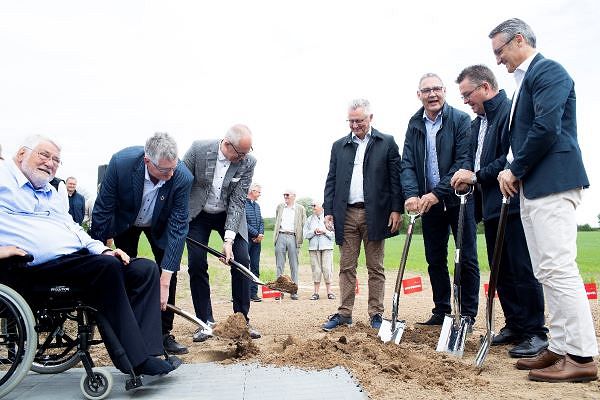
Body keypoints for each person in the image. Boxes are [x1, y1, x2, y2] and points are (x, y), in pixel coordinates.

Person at [0, 135, 179, 376]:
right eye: (44, 155)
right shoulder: (3, 179)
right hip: (32, 267)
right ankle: (135, 360)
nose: (50, 163)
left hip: (74, 259)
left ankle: (150, 351)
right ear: (22, 154)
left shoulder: (49, 191)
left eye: (56, 160)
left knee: (144, 269)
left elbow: (72, 228)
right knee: (106, 268)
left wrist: (104, 248)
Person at [489, 18, 597, 382]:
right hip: (533, 187)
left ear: (519, 40)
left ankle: (582, 357)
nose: (499, 60)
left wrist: (513, 168)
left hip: (552, 182)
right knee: (545, 271)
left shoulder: (549, 71)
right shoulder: (524, 82)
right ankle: (561, 346)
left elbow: (546, 128)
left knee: (559, 268)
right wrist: (512, 166)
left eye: (500, 51)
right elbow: (523, 136)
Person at [450, 65, 548, 358]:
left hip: (513, 203)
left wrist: (476, 176)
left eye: (468, 94)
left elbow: (508, 159)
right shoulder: (476, 123)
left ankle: (535, 331)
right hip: (491, 207)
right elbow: (472, 158)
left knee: (521, 268)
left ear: (485, 87)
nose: (465, 101)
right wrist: (467, 173)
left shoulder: (509, 113)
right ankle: (515, 325)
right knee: (501, 270)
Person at [91, 132, 193, 355]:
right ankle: (130, 330)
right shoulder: (120, 164)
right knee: (125, 269)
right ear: (148, 161)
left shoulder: (182, 177)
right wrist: (99, 252)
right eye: (165, 170)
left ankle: (164, 333)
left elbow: (178, 227)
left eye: (173, 168)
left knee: (168, 270)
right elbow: (102, 210)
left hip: (160, 225)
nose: (171, 174)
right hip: (127, 222)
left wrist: (164, 281)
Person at [400, 73, 479, 328]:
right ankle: (442, 310)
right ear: (419, 95)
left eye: (437, 89)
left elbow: (462, 162)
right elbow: (408, 164)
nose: (432, 94)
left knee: (465, 257)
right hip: (427, 203)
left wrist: (437, 193)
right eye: (427, 90)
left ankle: (467, 313)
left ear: (445, 91)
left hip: (458, 199)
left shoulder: (460, 119)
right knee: (435, 258)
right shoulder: (414, 124)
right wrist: (412, 194)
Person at [322, 98, 402, 332]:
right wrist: (328, 210)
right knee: (346, 266)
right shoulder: (339, 146)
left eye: (360, 121)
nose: (355, 125)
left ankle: (376, 314)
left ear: (371, 118)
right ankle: (344, 313)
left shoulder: (386, 142)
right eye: (351, 121)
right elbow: (331, 179)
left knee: (375, 267)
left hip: (375, 214)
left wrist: (397, 209)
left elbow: (395, 179)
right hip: (345, 214)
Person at [183, 124, 261, 342]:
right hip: (198, 214)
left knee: (242, 259)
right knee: (197, 263)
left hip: (228, 214)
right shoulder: (198, 150)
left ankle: (241, 321)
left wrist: (228, 240)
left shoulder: (248, 162)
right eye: (241, 153)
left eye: (248, 152)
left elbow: (238, 201)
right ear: (227, 144)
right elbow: (180, 184)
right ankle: (204, 322)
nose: (244, 158)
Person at [273, 189, 305, 300]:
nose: (285, 196)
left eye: (287, 195)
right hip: (281, 236)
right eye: (284, 195)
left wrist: (300, 239)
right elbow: (277, 221)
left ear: (294, 196)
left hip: (293, 237)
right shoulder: (280, 207)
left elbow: (303, 224)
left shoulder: (300, 209)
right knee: (279, 266)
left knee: (294, 266)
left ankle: (293, 291)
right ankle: (279, 292)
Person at [303, 200, 335, 300]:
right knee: (316, 270)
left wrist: (324, 231)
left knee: (327, 269)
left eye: (315, 206)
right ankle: (316, 293)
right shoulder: (309, 219)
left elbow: (334, 234)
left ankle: (329, 292)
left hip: (327, 247)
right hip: (313, 248)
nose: (313, 208)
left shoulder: (329, 219)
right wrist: (313, 231)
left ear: (321, 207)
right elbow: (305, 234)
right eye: (312, 206)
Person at [245, 183, 264, 302]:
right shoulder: (242, 204)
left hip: (257, 242)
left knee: (255, 267)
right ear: (252, 191)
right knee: (243, 267)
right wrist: (255, 234)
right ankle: (241, 294)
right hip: (245, 240)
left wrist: (260, 235)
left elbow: (261, 221)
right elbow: (243, 224)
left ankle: (253, 293)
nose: (260, 195)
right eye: (259, 192)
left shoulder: (257, 206)